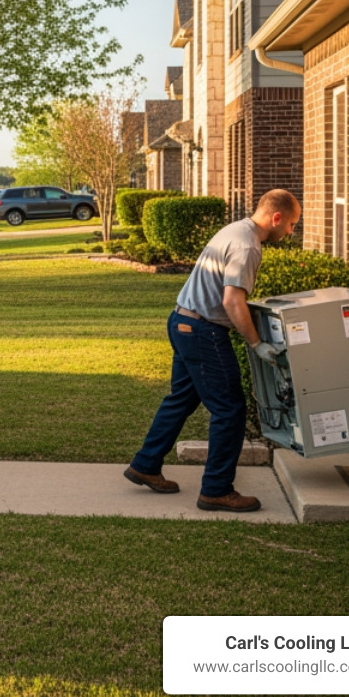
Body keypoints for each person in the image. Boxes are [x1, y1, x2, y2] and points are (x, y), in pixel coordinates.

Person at [125, 189, 300, 513]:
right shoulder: (248, 246)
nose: (290, 232)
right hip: (203, 330)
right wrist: (258, 345)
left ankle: (146, 464)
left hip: (182, 321)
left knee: (181, 399)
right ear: (277, 217)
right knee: (230, 408)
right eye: (291, 224)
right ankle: (217, 489)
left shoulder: (236, 230)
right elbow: (231, 301)